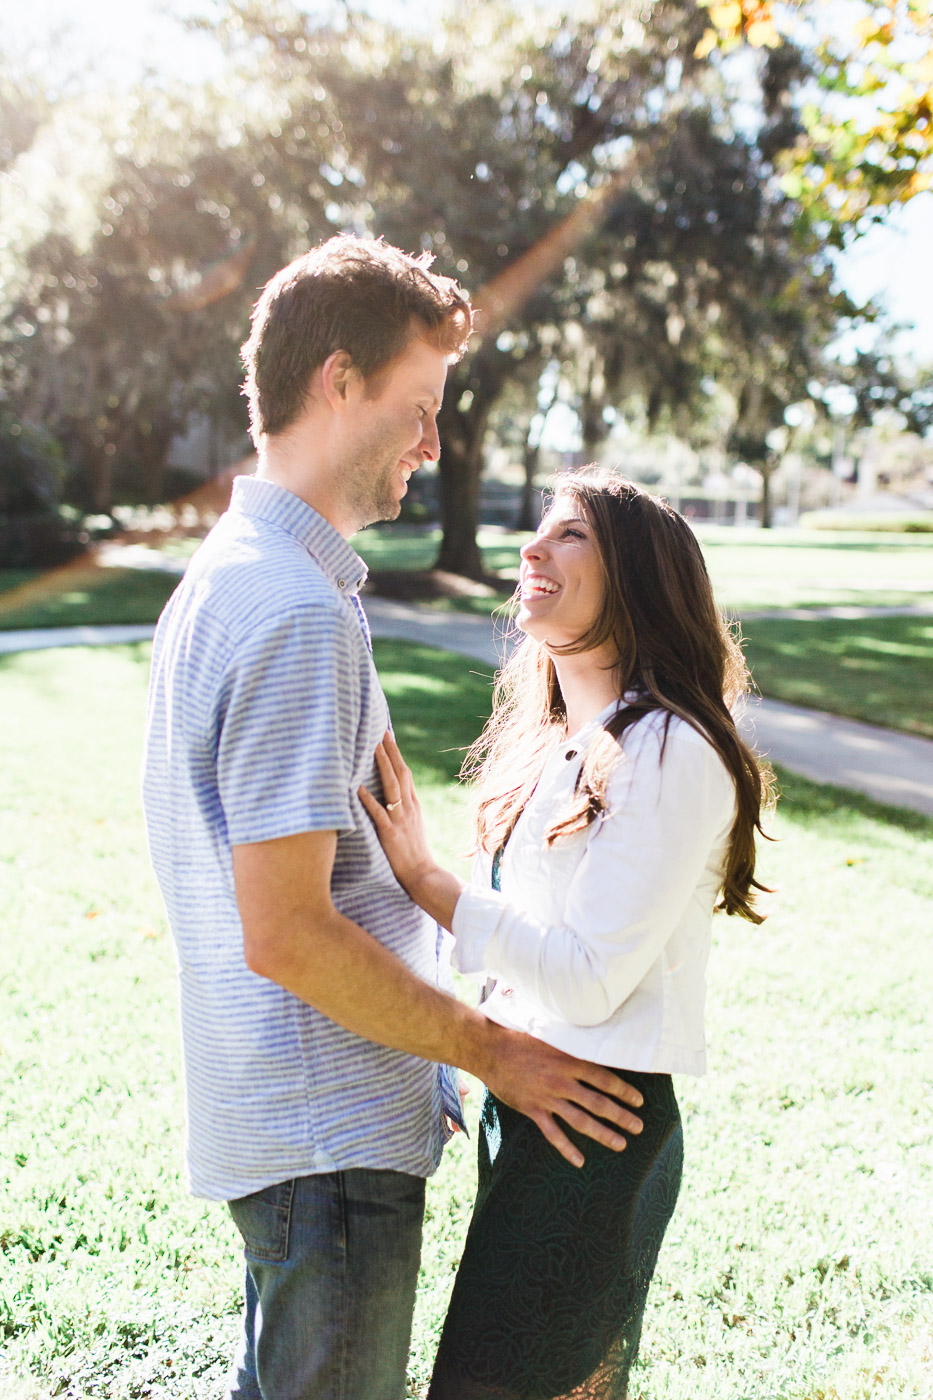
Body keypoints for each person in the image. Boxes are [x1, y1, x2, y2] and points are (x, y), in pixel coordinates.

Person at [141, 237, 645, 1400]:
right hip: (327, 1146)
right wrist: (495, 1052)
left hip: (291, 1129)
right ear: (338, 382)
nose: (432, 443)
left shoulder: (228, 572)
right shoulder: (293, 609)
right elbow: (287, 929)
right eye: (418, 407)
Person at [360, 468, 772, 1400]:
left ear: (635, 579)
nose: (530, 549)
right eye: (534, 532)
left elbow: (589, 981)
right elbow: (542, 948)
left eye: (569, 534)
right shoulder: (567, 742)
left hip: (597, 1124)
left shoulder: (668, 746)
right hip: (537, 1100)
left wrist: (433, 885)